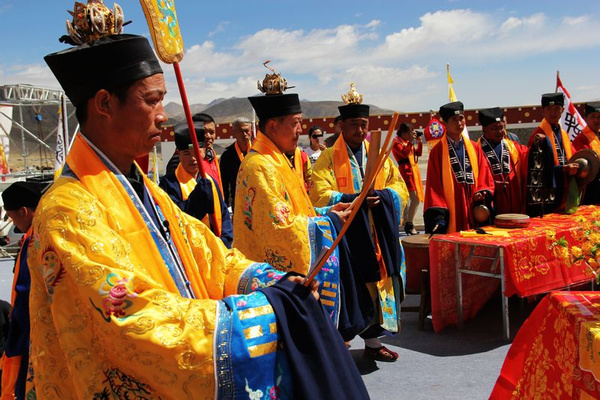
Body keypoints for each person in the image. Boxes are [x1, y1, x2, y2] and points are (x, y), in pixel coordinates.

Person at [33, 13, 369, 398]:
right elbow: (133, 315)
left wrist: (272, 281)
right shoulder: (66, 209)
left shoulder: (143, 189)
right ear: (105, 103)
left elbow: (211, 255)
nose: (163, 115)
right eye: (151, 100)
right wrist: (261, 314)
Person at [233, 67, 349, 322]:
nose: (300, 130)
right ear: (273, 127)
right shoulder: (260, 165)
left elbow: (294, 210)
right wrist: (326, 223)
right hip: (271, 280)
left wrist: (324, 213)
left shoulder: (277, 160)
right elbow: (278, 228)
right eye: (296, 123)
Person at [310, 83, 409, 362]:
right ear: (342, 126)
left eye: (364, 124)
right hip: (348, 235)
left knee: (379, 286)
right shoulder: (328, 158)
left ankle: (374, 342)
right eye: (354, 124)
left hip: (378, 232)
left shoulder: (379, 156)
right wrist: (354, 198)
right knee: (351, 288)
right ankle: (341, 342)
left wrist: (383, 197)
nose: (360, 130)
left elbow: (398, 188)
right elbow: (319, 193)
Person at [423, 101, 494, 234]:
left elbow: (485, 174)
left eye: (461, 118)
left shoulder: (475, 147)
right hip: (452, 207)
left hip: (473, 205)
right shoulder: (437, 152)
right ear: (444, 123)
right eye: (454, 120)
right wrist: (439, 213)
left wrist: (482, 191)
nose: (459, 123)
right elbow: (434, 185)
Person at [159, 122, 233, 248]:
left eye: (196, 153)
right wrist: (196, 202)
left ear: (204, 152)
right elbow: (172, 217)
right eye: (187, 153)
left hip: (216, 246)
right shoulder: (168, 183)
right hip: (189, 249)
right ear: (179, 154)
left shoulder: (210, 181)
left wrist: (224, 241)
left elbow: (224, 213)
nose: (193, 158)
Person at [0, 182, 41, 399]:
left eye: (13, 217)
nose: (14, 222)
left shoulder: (35, 241)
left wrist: (16, 329)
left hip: (32, 334)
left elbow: (26, 291)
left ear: (24, 211)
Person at [527, 93, 578, 214]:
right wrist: (562, 169)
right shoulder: (538, 135)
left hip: (565, 187)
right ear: (543, 111)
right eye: (549, 109)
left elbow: (574, 156)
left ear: (563, 110)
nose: (553, 113)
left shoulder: (564, 134)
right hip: (548, 193)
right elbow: (535, 169)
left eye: (556, 109)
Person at [478, 108, 528, 214]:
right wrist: (493, 185)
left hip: (514, 199)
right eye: (494, 128)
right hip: (491, 204)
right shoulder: (476, 150)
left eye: (501, 127)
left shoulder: (513, 146)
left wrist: (540, 144)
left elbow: (528, 156)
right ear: (484, 129)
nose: (500, 132)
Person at [391, 122, 424, 235]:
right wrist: (411, 142)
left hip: (413, 171)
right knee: (414, 198)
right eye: (409, 133)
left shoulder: (406, 142)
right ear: (403, 133)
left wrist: (419, 141)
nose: (411, 135)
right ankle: (409, 224)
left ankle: (407, 222)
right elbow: (404, 153)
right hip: (405, 172)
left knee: (416, 199)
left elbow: (418, 153)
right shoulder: (396, 143)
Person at [219, 117, 252, 208]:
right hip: (237, 202)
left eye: (247, 131)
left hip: (257, 200)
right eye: (241, 131)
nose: (245, 134)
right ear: (234, 133)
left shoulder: (258, 151)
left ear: (251, 131)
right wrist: (226, 205)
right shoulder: (227, 155)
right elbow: (224, 183)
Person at [573, 102, 600, 204]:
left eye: (599, 117)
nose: (596, 120)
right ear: (585, 118)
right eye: (593, 116)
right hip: (590, 188)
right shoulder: (581, 139)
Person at [192, 112, 223, 191]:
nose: (208, 136)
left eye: (212, 132)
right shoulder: (182, 160)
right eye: (204, 132)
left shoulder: (211, 155)